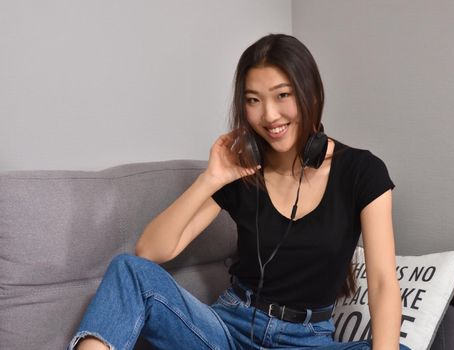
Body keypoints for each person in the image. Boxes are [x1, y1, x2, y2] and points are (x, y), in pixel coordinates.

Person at [68, 34, 410, 350]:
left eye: (282, 95)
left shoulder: (362, 171)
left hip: (306, 340)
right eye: (253, 100)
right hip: (228, 330)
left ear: (312, 94)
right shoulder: (242, 173)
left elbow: (381, 283)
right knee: (128, 269)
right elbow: (150, 251)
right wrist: (211, 178)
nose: (269, 115)